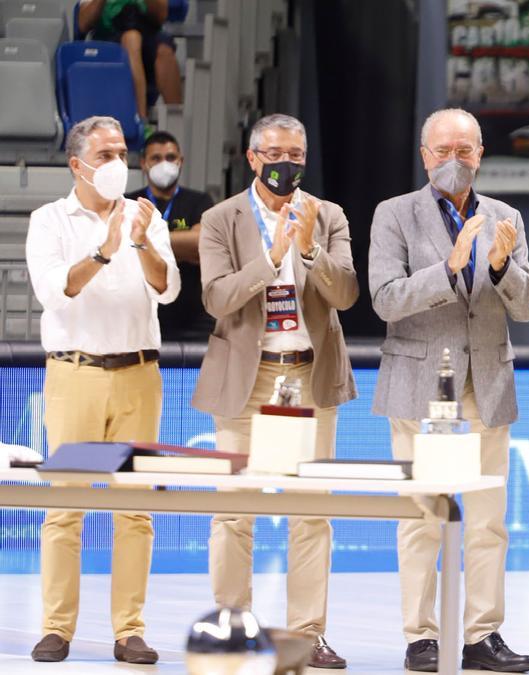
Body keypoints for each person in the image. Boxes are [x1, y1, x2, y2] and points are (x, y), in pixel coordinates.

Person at [369, 108, 529, 673]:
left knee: (489, 520)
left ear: (480, 154)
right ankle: (421, 637)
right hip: (419, 381)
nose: (453, 161)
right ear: (424, 156)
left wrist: (498, 268)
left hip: (485, 382)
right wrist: (449, 267)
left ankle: (481, 636)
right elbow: (386, 299)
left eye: (464, 150)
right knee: (420, 516)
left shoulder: (505, 216)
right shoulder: (393, 214)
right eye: (442, 151)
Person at [192, 114, 358, 669]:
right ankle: (232, 625)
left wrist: (309, 249)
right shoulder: (221, 219)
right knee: (236, 510)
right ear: (253, 156)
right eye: (277, 153)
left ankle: (308, 633)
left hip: (307, 373)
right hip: (247, 374)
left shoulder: (327, 215)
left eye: (298, 154)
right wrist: (270, 258)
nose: (288, 164)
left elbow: (347, 294)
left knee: (312, 511)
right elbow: (217, 299)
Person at [24, 115, 180, 665]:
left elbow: (168, 288)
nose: (118, 161)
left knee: (135, 509)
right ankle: (56, 628)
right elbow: (56, 292)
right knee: (65, 507)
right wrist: (105, 250)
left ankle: (129, 630)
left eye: (121, 151)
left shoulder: (146, 214)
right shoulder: (49, 220)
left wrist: (140, 244)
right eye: (106, 153)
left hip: (139, 372)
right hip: (75, 374)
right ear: (78, 165)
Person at [126, 131, 214, 340]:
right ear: (144, 162)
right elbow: (121, 249)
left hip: (194, 319)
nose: (164, 164)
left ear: (180, 161)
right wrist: (182, 246)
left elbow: (200, 244)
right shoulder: (129, 202)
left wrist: (143, 240)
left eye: (170, 158)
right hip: (141, 317)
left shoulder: (199, 201)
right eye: (156, 158)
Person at [78, 0, 184, 124]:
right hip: (109, 36)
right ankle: (141, 121)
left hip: (147, 32)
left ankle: (177, 122)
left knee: (164, 50)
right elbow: (82, 23)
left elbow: (161, 16)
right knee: (132, 38)